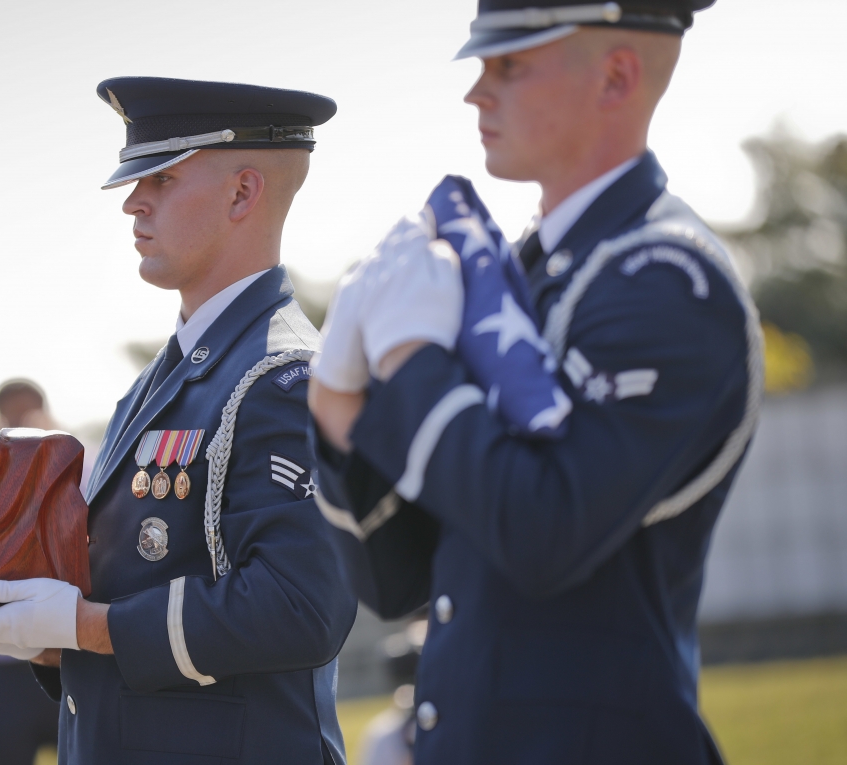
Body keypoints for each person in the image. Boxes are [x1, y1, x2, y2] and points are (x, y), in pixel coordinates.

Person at [308, 2, 763, 764]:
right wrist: (334, 401)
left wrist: (410, 357)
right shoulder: (520, 275)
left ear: (616, 77)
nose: (475, 91)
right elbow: (397, 579)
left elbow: (541, 531)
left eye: (509, 64)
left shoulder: (667, 283)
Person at [0, 78, 357, 765]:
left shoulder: (281, 377)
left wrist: (86, 626)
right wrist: (36, 630)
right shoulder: (166, 380)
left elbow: (302, 608)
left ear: (243, 193)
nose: (132, 201)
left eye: (164, 177)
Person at [0, 379, 62, 765]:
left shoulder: (80, 463)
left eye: (27, 417)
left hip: (69, 653)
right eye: (10, 419)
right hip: (7, 664)